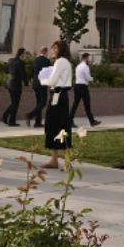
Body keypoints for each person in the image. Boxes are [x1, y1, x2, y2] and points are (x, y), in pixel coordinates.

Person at [42, 40, 74, 169]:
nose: (53, 50)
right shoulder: (66, 62)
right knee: (58, 125)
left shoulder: (60, 62)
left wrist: (43, 80)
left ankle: (62, 160)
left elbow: (53, 80)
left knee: (56, 125)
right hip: (60, 96)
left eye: (56, 48)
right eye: (52, 47)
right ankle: (57, 160)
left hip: (57, 95)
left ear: (61, 49)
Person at [70, 52, 101, 126]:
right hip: (83, 87)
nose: (89, 60)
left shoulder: (78, 66)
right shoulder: (85, 67)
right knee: (87, 105)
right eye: (88, 58)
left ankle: (70, 120)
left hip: (77, 86)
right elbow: (87, 77)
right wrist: (93, 79)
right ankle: (92, 121)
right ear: (86, 58)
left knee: (75, 104)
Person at [2, 46, 27, 126]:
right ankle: (11, 121)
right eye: (25, 53)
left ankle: (5, 116)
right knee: (15, 103)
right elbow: (23, 74)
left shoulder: (11, 60)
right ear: (22, 53)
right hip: (16, 85)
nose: (25, 55)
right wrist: (26, 83)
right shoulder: (21, 63)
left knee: (14, 103)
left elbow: (7, 70)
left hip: (9, 83)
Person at [26, 46, 51, 127]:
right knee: (43, 102)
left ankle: (37, 122)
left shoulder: (35, 60)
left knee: (39, 103)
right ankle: (30, 115)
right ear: (45, 52)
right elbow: (47, 72)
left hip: (35, 83)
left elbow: (33, 71)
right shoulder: (46, 60)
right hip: (42, 83)